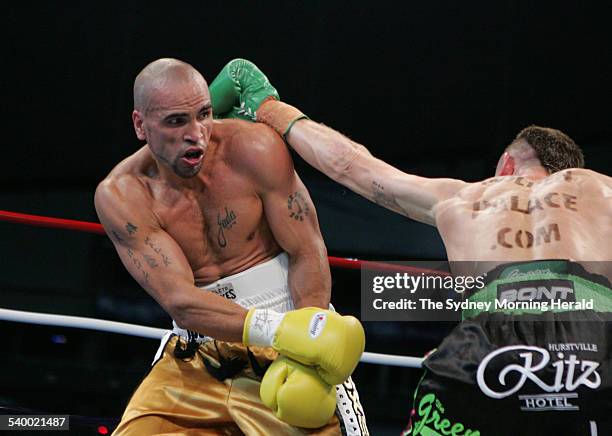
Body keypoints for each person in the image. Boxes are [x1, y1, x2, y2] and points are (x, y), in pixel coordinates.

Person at [209, 59, 612, 435]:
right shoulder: (603, 191)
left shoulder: (465, 196)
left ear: (507, 165)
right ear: (571, 170)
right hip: (595, 338)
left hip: (487, 349)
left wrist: (269, 107)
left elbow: (351, 165)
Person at [94, 58, 368, 436]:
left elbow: (307, 249)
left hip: (289, 336)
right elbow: (181, 301)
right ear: (141, 125)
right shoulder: (122, 195)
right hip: (196, 354)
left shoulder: (254, 147)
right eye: (177, 121)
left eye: (204, 114)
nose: (197, 134)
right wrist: (278, 330)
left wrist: (307, 339)